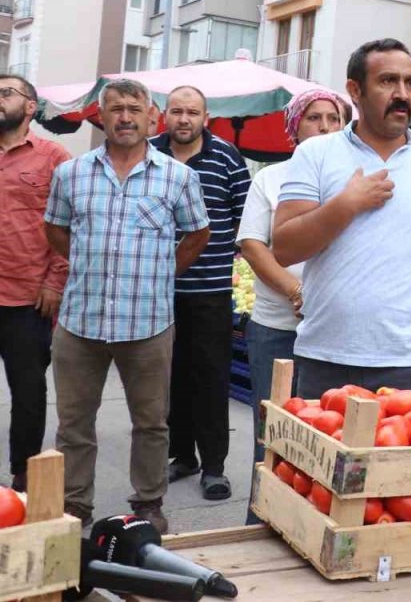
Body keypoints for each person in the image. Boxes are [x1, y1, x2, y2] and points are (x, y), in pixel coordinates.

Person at [273, 39, 411, 397]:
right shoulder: (315, 154)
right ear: (355, 90)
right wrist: (346, 205)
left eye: (410, 82)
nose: (402, 93)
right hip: (328, 354)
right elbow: (284, 248)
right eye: (388, 81)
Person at [45, 79, 210, 532]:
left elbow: (198, 234)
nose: (125, 117)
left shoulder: (178, 177)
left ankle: (148, 503)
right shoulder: (71, 174)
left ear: (151, 117)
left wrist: (162, 272)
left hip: (148, 322)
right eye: (116, 109)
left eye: (134, 109)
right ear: (101, 116)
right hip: (80, 320)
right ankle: (75, 504)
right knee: (74, 423)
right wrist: (87, 264)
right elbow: (55, 229)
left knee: (151, 422)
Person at [236, 90, 346, 493]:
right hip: (276, 328)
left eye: (333, 118)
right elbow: (252, 246)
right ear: (295, 128)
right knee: (271, 433)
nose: (324, 127)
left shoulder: (351, 180)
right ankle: (261, 513)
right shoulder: (270, 178)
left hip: (334, 331)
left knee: (324, 435)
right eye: (314, 118)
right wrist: (297, 292)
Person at [151, 86, 250, 501]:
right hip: (157, 291)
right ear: (165, 115)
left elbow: (245, 220)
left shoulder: (227, 158)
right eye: (177, 111)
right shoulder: (148, 153)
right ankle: (182, 455)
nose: (184, 119)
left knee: (210, 378)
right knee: (169, 378)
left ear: (205, 118)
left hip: (210, 291)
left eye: (192, 112)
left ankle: (213, 467)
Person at [0, 73, 70, 492]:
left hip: (28, 298)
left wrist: (54, 281)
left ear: (30, 106)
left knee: (28, 392)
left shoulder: (53, 158)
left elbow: (68, 225)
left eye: (5, 92)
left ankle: (23, 478)